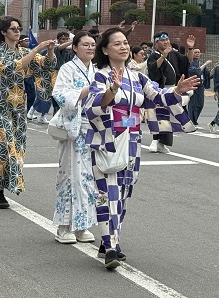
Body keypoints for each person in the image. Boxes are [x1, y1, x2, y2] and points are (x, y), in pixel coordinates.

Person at [84, 27, 199, 269]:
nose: (124, 47)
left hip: (132, 140)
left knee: (123, 193)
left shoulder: (137, 77)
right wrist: (112, 90)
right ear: (105, 50)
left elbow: (157, 97)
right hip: (107, 140)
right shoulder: (100, 76)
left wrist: (177, 90)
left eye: (125, 43)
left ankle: (110, 239)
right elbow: (93, 106)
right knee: (107, 192)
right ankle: (111, 247)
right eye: (117, 44)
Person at [0, 16, 56, 209]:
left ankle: (0, 188)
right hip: (0, 105)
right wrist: (36, 49)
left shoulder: (24, 51)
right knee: (5, 147)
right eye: (13, 29)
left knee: (17, 148)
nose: (17, 31)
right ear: (4, 32)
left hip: (18, 107)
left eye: (19, 28)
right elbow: (13, 69)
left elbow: (47, 66)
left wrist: (50, 50)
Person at [51, 31, 98, 244]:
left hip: (93, 129)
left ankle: (81, 224)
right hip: (74, 128)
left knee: (87, 178)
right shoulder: (67, 68)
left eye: (93, 44)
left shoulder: (97, 70)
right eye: (85, 44)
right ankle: (63, 226)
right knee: (70, 175)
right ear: (75, 48)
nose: (90, 48)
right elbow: (60, 95)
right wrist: (86, 90)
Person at [146, 31, 194, 153]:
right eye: (163, 40)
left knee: (168, 117)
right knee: (158, 115)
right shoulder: (153, 56)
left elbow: (187, 61)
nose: (166, 42)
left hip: (172, 89)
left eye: (167, 39)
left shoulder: (173, 54)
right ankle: (155, 140)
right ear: (156, 43)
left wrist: (190, 48)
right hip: (159, 90)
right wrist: (163, 56)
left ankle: (162, 143)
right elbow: (153, 68)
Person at [187, 48, 211, 125]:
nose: (197, 54)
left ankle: (194, 120)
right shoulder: (190, 63)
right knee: (193, 104)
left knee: (200, 104)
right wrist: (205, 64)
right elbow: (195, 71)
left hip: (201, 86)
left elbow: (207, 74)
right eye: (195, 52)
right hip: (193, 85)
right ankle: (191, 121)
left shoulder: (200, 63)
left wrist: (214, 69)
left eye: (198, 52)